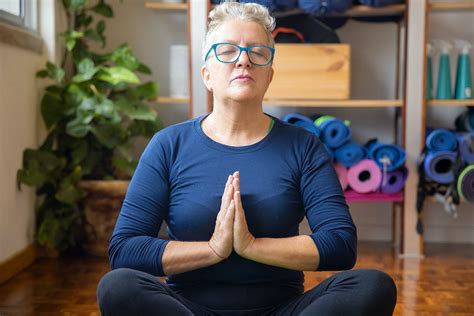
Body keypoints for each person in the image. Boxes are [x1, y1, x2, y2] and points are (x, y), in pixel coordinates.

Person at [97, 1, 397, 315]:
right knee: (118, 286)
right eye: (227, 51)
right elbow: (125, 249)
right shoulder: (168, 145)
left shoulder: (303, 146)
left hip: (283, 309)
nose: (243, 60)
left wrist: (251, 245)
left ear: (269, 75)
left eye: (257, 52)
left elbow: (340, 245)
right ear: (207, 74)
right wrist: (214, 249)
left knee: (373, 285)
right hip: (189, 309)